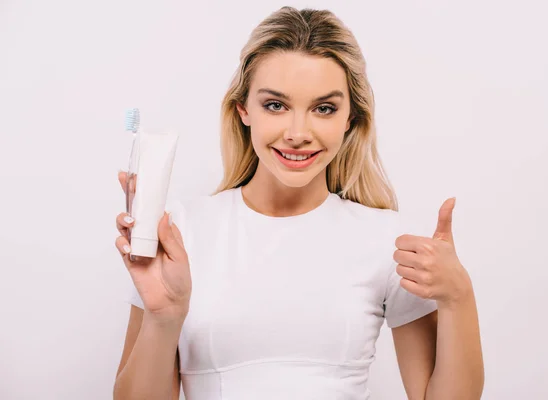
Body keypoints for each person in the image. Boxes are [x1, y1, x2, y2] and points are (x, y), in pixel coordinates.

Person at [113, 6, 484, 400]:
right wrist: (163, 318)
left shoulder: (385, 239)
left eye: (324, 108)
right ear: (244, 110)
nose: (297, 133)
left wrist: (459, 296)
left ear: (349, 119)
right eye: (276, 105)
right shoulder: (180, 233)